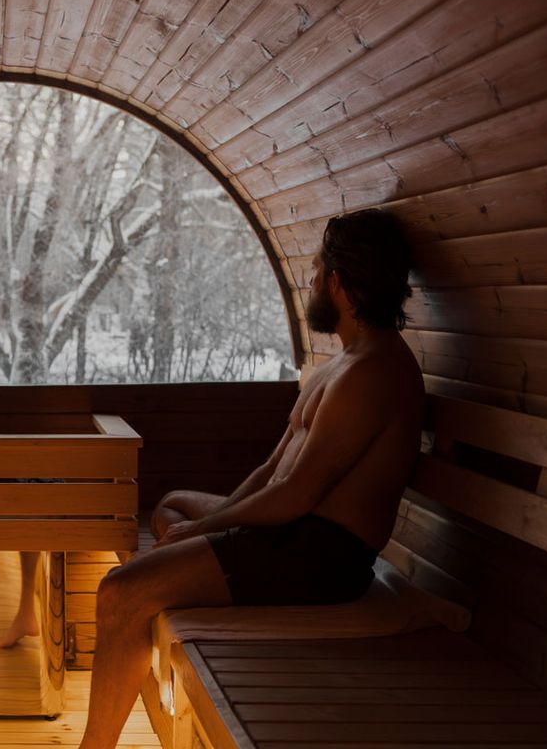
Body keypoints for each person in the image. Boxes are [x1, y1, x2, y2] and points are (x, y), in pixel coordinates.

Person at [77, 209, 424, 748]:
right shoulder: (345, 363)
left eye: (314, 272)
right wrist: (210, 523)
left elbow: (297, 494)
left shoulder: (375, 373)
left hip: (319, 556)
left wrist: (207, 533)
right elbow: (271, 470)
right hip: (287, 532)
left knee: (120, 592)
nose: (309, 284)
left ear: (339, 282)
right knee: (171, 504)